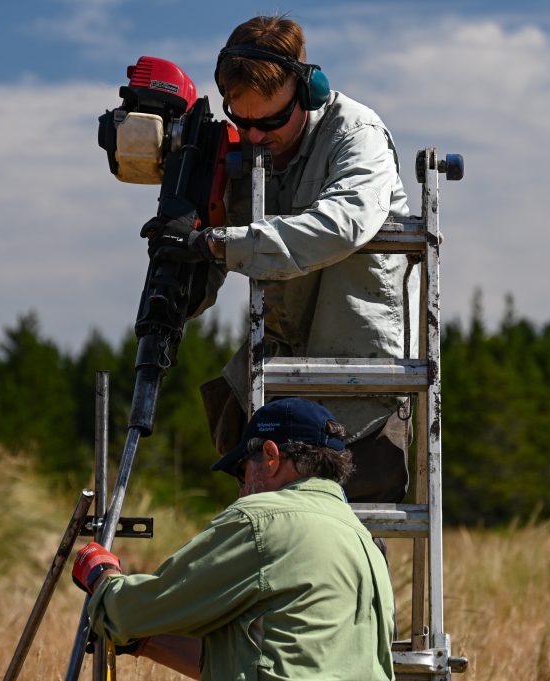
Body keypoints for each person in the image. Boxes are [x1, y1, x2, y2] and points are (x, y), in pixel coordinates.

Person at [142, 14, 414, 504]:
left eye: (269, 121)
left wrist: (220, 242)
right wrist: (185, 243)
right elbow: (206, 274)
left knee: (352, 546)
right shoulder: (242, 152)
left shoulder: (357, 134)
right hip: (275, 384)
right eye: (240, 120)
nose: (253, 136)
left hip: (358, 384)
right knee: (269, 539)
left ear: (307, 92)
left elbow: (344, 222)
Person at [72, 397, 395, 681]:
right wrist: (145, 641)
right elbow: (260, 663)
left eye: (242, 474)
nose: (241, 490)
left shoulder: (262, 519)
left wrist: (102, 577)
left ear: (270, 456)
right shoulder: (361, 537)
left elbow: (131, 613)